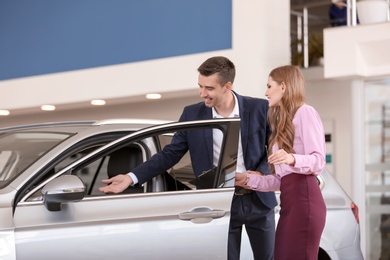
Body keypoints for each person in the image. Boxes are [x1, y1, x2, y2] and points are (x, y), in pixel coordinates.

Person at [99, 56, 277, 260]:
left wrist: (258, 175)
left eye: (209, 88)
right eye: (200, 86)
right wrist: (131, 177)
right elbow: (170, 154)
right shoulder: (192, 114)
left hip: (259, 200)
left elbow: (274, 150)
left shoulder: (260, 109)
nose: (202, 94)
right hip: (218, 203)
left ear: (227, 86)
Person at [235, 65, 327, 260]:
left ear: (283, 87)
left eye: (269, 86)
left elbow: (318, 161)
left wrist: (291, 158)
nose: (266, 92)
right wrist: (246, 179)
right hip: (289, 206)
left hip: (305, 203)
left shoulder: (306, 112)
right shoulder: (282, 123)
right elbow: (279, 180)